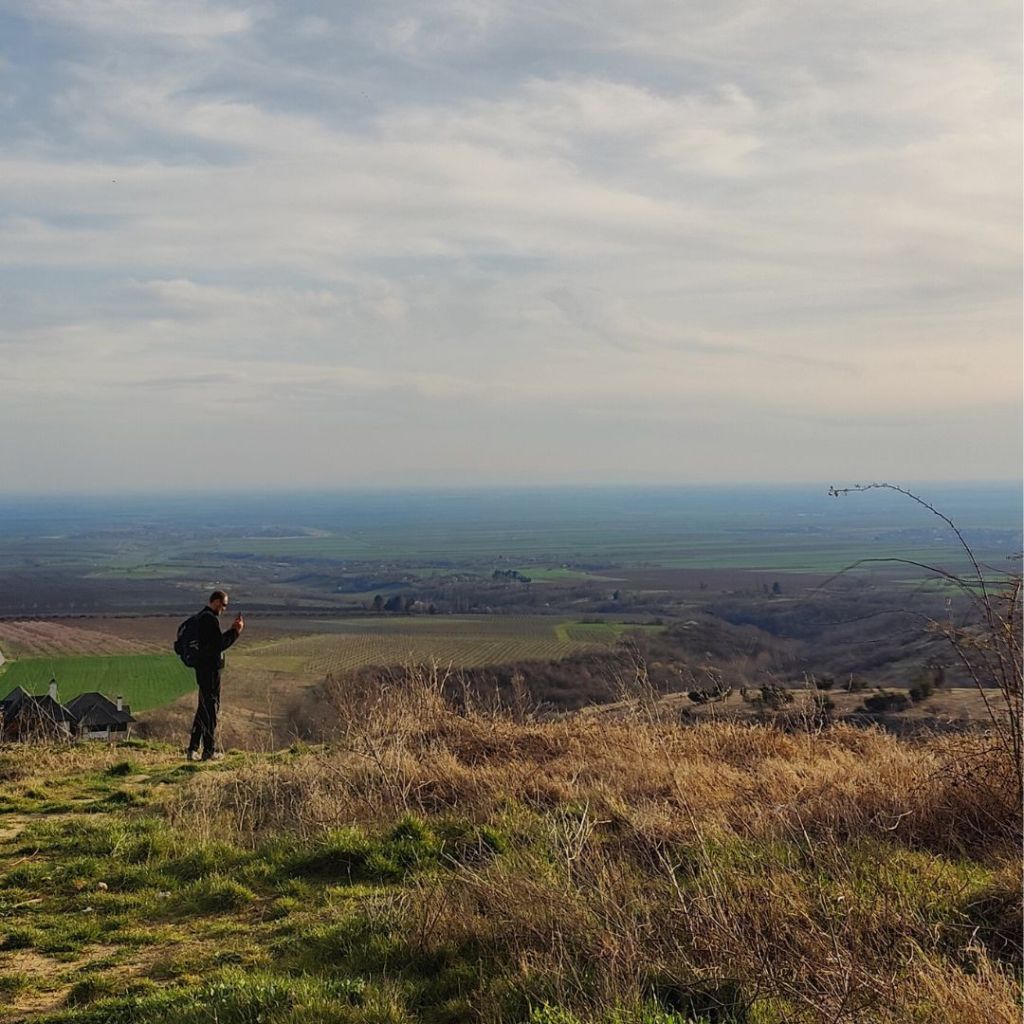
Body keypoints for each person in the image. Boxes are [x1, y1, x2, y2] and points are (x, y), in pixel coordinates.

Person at [186, 590, 244, 762]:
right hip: (210, 671)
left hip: (203, 669)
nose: (224, 609)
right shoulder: (209, 619)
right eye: (224, 605)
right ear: (217, 601)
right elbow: (218, 645)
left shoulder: (201, 617)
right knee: (210, 709)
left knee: (203, 708)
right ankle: (208, 751)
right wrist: (235, 631)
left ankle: (193, 749)